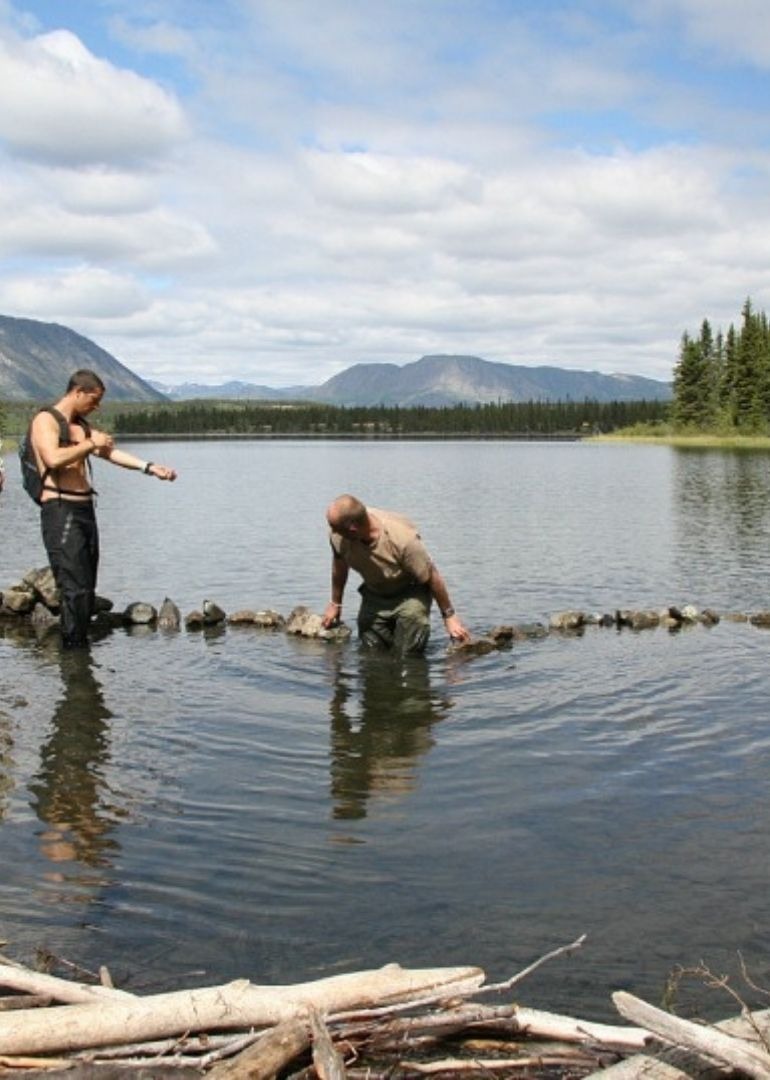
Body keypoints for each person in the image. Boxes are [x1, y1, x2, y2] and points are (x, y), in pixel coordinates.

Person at [29, 369, 177, 648]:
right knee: (74, 587)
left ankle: (78, 647)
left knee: (87, 586)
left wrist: (149, 467)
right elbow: (53, 458)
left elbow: (109, 452)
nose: (96, 407)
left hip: (85, 510)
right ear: (78, 392)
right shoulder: (45, 420)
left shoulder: (81, 426)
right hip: (60, 510)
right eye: (94, 400)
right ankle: (72, 653)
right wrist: (89, 444)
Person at [321, 494, 471, 653]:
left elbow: (432, 576)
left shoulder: (403, 540)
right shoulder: (338, 536)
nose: (332, 531)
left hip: (410, 593)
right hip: (375, 592)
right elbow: (339, 563)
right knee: (371, 651)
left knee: (408, 652)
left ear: (353, 529)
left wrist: (449, 617)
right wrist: (335, 603)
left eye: (335, 528)